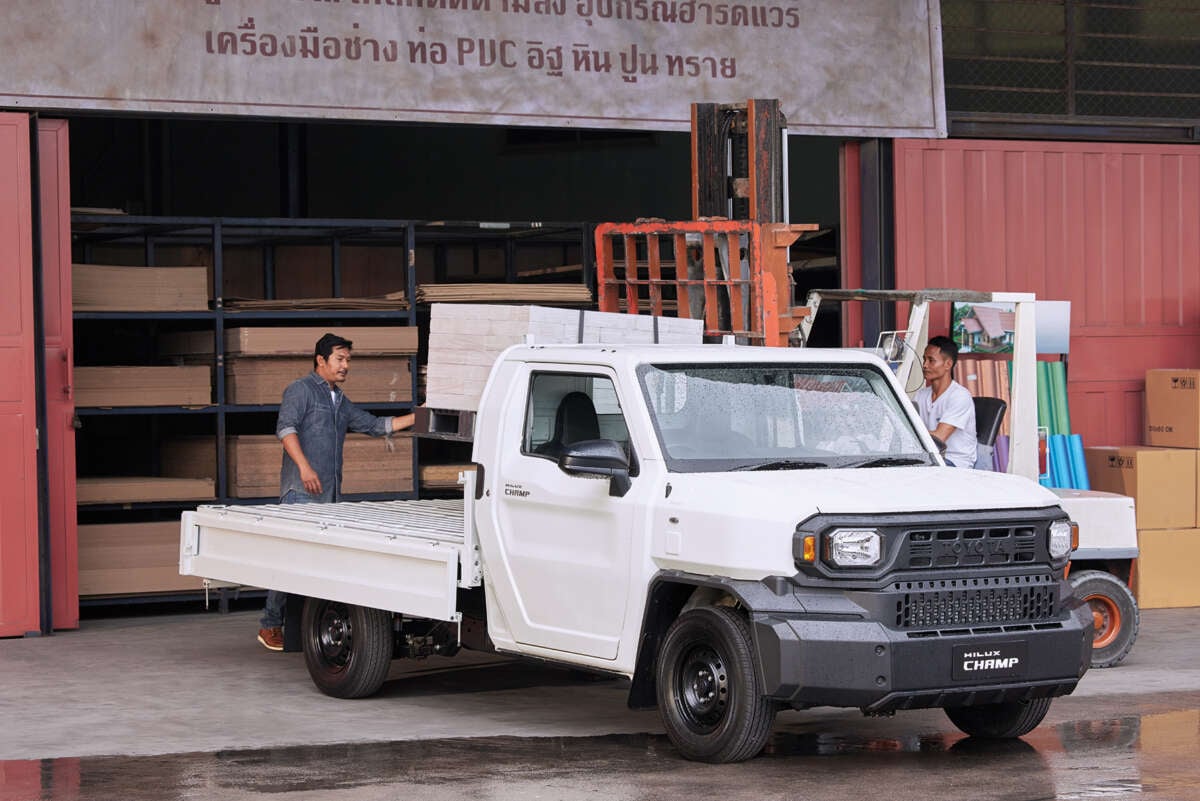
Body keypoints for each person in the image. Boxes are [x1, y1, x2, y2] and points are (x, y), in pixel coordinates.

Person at [257, 332, 416, 651]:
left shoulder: (340, 401)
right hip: (300, 491)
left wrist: (421, 415)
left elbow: (376, 426)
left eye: (348, 361)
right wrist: (304, 467)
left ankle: (302, 628)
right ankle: (270, 624)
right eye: (340, 359)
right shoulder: (300, 390)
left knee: (314, 563)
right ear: (321, 360)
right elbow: (285, 429)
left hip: (329, 497)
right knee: (289, 558)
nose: (345, 366)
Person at [914, 335, 976, 469]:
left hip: (955, 461)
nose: (925, 365)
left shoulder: (960, 396)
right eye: (924, 359)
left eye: (931, 360)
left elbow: (939, 438)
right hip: (930, 458)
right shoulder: (921, 395)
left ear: (948, 364)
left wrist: (908, 430)